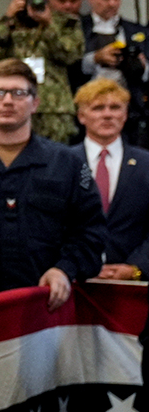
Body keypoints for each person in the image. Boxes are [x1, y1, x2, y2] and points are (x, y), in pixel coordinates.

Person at [0, 59, 104, 308]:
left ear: (35, 103)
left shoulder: (67, 164)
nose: (8, 101)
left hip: (42, 309)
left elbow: (91, 233)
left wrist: (64, 269)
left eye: (19, 93)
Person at [0, 0, 84, 143]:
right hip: (14, 103)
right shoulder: (9, 21)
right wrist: (7, 20)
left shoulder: (66, 22)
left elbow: (72, 55)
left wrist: (48, 24)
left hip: (53, 108)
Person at [66, 79, 149, 281]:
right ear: (81, 116)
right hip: (73, 281)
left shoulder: (146, 163)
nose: (107, 114)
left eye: (115, 107)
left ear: (125, 114)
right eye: (98, 108)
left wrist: (136, 267)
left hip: (132, 285)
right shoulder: (62, 162)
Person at [79, 0, 148, 147]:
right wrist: (95, 58)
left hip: (130, 110)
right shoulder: (77, 28)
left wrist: (141, 66)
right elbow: (69, 66)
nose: (112, 3)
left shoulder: (137, 30)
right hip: (87, 105)